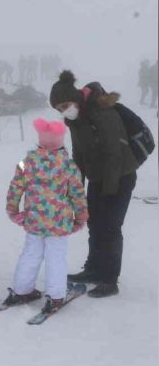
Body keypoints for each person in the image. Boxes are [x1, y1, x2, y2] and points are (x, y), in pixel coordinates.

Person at [49, 70, 138, 297]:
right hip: (99, 178)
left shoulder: (102, 111)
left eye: (66, 104)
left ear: (76, 98)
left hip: (120, 176)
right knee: (95, 223)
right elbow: (79, 155)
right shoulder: (76, 121)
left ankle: (109, 278)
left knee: (110, 226)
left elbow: (113, 153)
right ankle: (93, 269)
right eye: (60, 109)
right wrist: (76, 188)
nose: (64, 110)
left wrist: (110, 189)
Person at [2, 118, 88, 313]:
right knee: (56, 257)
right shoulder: (68, 165)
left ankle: (21, 290)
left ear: (39, 141)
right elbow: (77, 193)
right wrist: (81, 217)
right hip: (59, 223)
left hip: (34, 221)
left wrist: (13, 210)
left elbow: (16, 187)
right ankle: (56, 296)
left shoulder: (27, 163)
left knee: (31, 254)